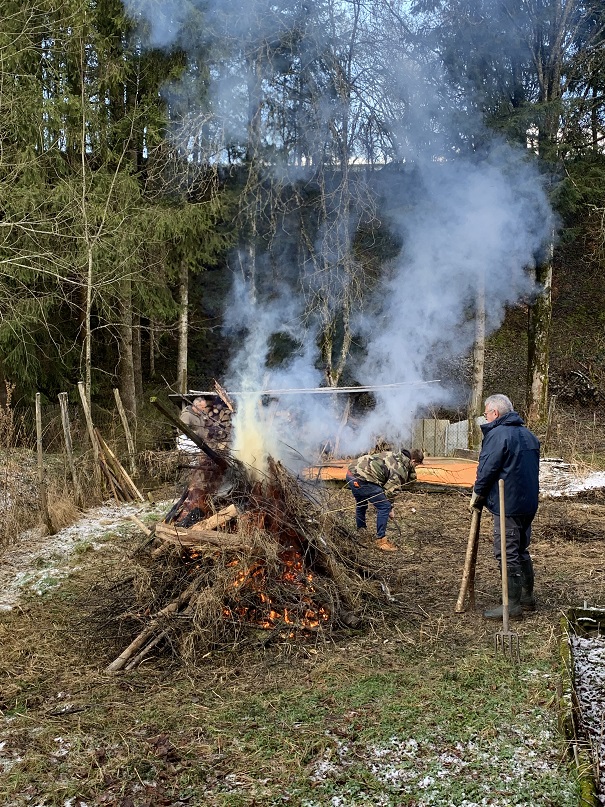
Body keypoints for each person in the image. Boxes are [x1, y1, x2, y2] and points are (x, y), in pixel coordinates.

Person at [469, 394, 540, 619]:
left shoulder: (498, 435)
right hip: (528, 503)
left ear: (495, 413)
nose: (486, 418)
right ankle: (527, 598)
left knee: (507, 552)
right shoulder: (529, 435)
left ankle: (512, 606)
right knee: (520, 549)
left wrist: (478, 493)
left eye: (486, 414)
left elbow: (487, 468)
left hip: (508, 503)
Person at [346, 449, 424, 551]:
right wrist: (390, 508)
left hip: (351, 473)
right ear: (413, 461)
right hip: (363, 478)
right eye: (417, 465)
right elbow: (390, 491)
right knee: (384, 506)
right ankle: (381, 541)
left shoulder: (395, 455)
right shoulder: (400, 469)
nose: (415, 467)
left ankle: (361, 532)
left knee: (362, 503)